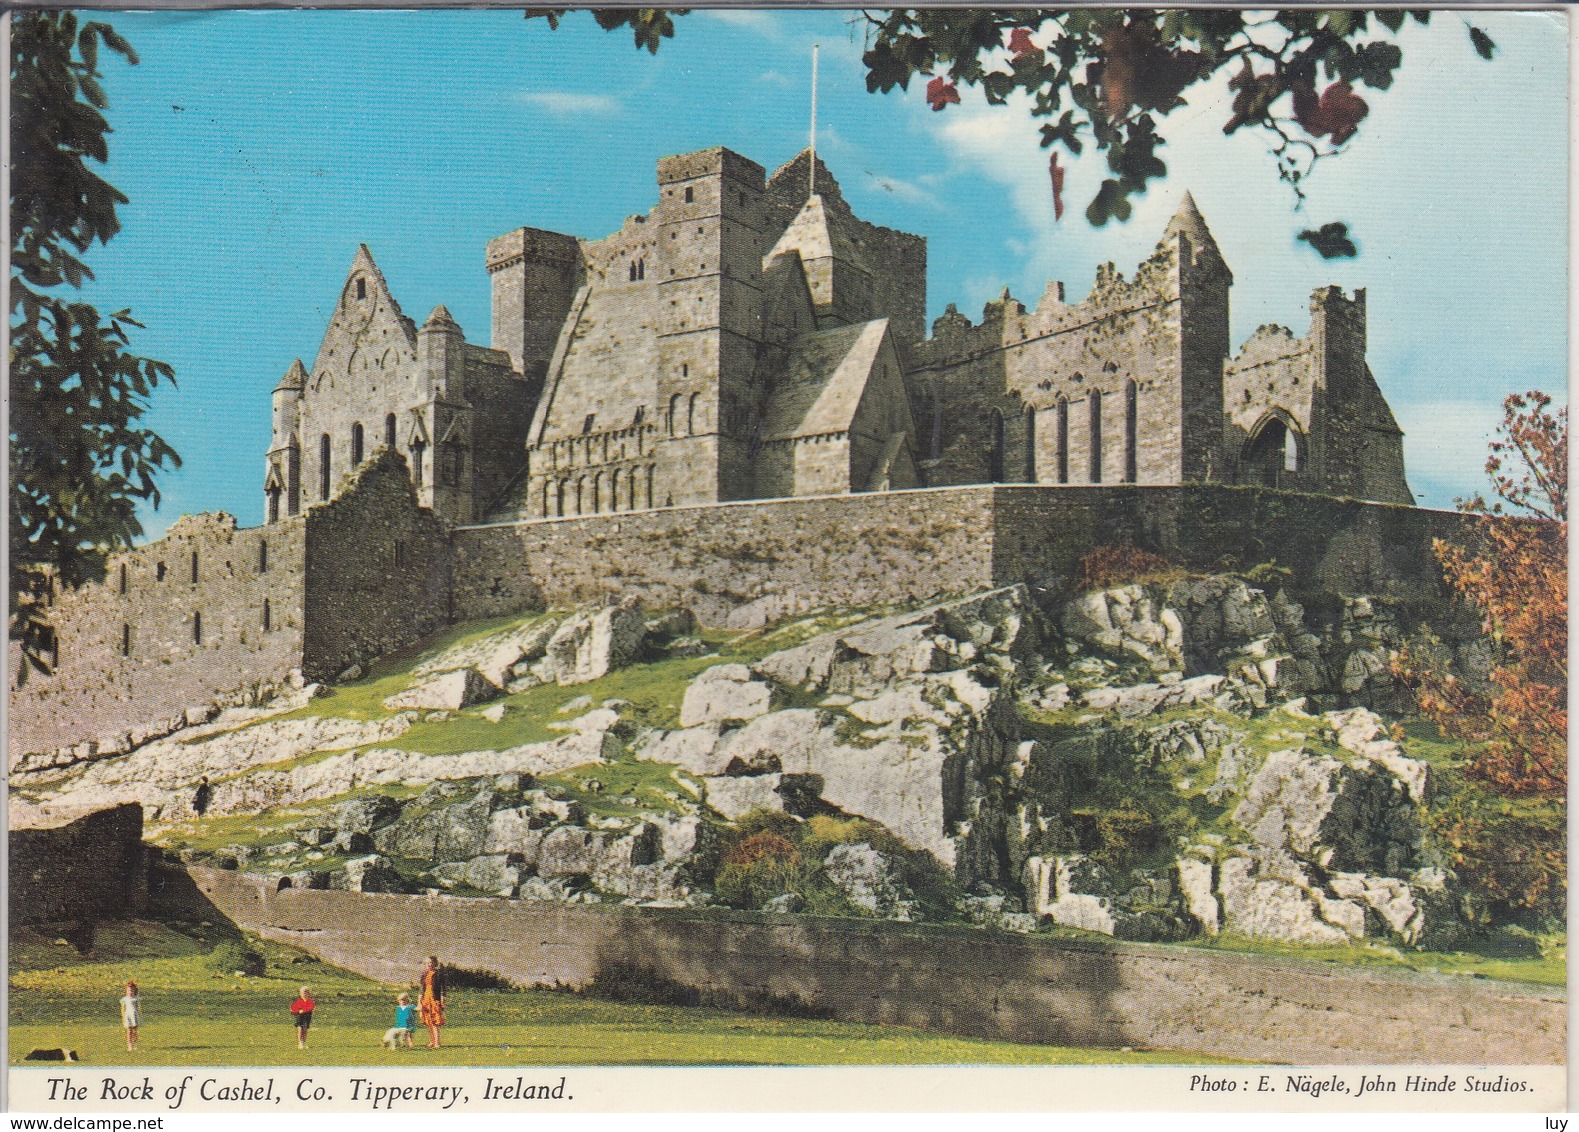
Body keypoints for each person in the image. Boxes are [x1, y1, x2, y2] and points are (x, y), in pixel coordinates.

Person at [417, 956, 446, 1049]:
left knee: (435, 1022)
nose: (429, 964)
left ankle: (437, 1042)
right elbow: (421, 989)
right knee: (428, 1022)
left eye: (431, 962)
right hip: (426, 999)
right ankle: (432, 1041)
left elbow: (443, 989)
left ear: (435, 963)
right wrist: (419, 1002)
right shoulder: (424, 974)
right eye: (427, 963)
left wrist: (442, 1000)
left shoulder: (439, 974)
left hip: (434, 999)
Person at [290, 986, 314, 1050]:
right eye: (304, 992)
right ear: (300, 994)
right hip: (300, 1017)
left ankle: (304, 1042)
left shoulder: (310, 1001)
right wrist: (297, 1011)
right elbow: (293, 1008)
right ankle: (300, 1043)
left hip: (307, 1016)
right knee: (300, 1029)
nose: (305, 994)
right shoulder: (298, 1001)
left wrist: (304, 1010)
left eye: (307, 992)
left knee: (305, 1029)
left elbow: (311, 1007)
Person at [119, 981, 141, 1052]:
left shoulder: (136, 999)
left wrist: (139, 1015)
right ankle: (129, 1045)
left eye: (132, 990)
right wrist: (123, 1017)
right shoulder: (125, 999)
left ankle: (135, 1044)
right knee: (129, 1030)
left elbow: (138, 1008)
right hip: (128, 1015)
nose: (130, 992)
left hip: (134, 1015)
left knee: (135, 1030)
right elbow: (123, 1008)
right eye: (129, 990)